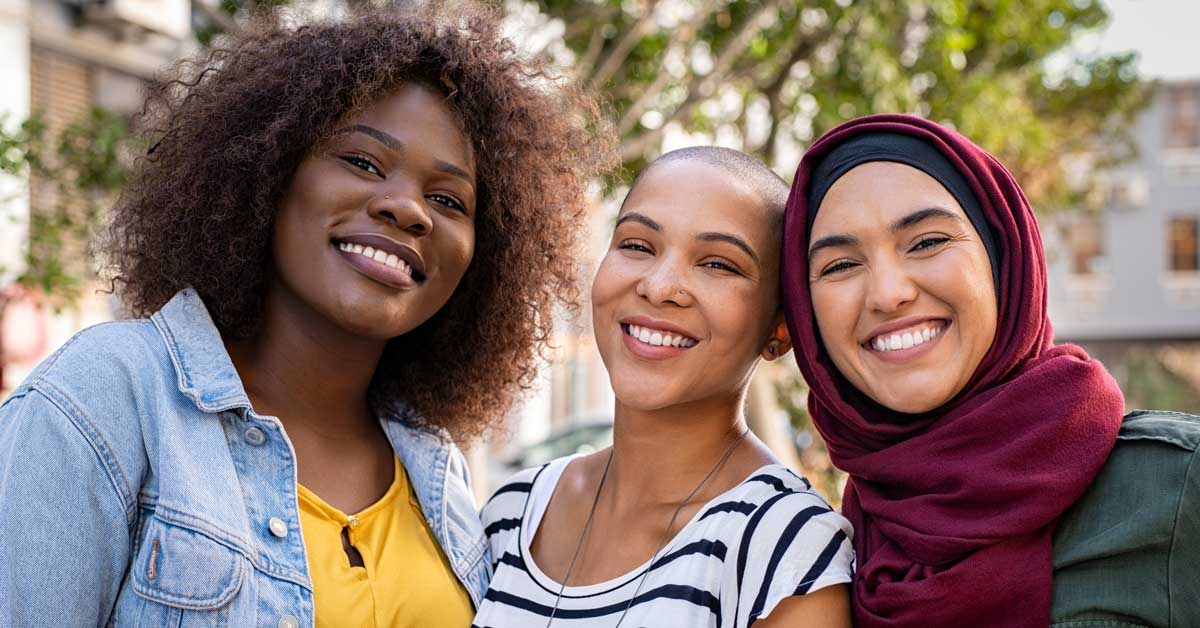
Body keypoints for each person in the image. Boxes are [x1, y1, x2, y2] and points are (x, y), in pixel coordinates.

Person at [0, 6, 614, 627]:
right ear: (267, 173)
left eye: (448, 200)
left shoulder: (434, 466)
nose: (407, 209)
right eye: (363, 162)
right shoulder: (107, 397)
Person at [781, 113, 1200, 627]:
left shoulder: (1175, 486)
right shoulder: (818, 559)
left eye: (927, 242)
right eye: (841, 266)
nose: (889, 293)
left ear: (1004, 258)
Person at [473, 147, 853, 628]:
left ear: (780, 328)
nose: (659, 285)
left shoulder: (785, 544)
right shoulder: (515, 510)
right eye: (637, 245)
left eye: (718, 264)